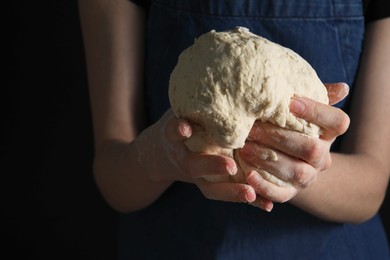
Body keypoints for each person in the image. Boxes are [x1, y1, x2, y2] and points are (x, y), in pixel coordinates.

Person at [78, 0, 390, 259]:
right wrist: (158, 155)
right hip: (176, 245)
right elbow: (113, 177)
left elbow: (372, 188)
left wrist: (299, 170)